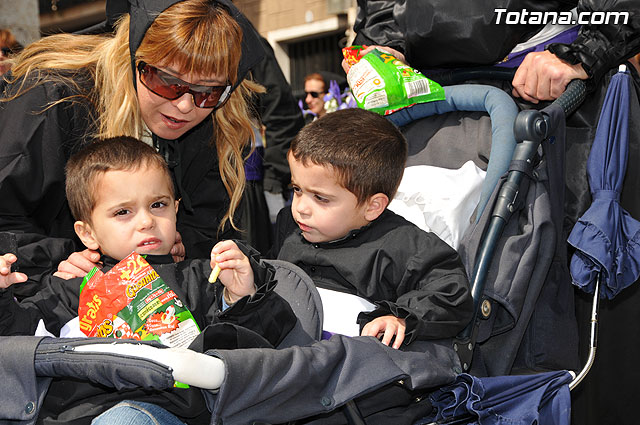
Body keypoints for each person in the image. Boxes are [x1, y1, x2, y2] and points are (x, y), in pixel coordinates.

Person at [0, 136, 296, 424]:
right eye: (123, 212)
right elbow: (18, 343)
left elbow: (258, 352)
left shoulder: (205, 278)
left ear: (176, 209)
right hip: (72, 413)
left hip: (164, 410)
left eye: (158, 205)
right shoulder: (68, 289)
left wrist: (243, 297)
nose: (146, 221)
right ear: (87, 233)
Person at [0, 0, 268, 299]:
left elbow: (209, 224)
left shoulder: (217, 116)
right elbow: (6, 213)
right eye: (167, 81)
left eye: (208, 91)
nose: (184, 106)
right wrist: (59, 264)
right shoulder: (55, 97)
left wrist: (182, 245)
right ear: (132, 58)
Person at [270, 108, 473, 348]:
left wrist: (401, 317)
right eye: (297, 190)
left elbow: (451, 293)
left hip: (352, 364)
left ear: (372, 206)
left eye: (320, 198)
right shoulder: (289, 226)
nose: (301, 208)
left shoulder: (402, 245)